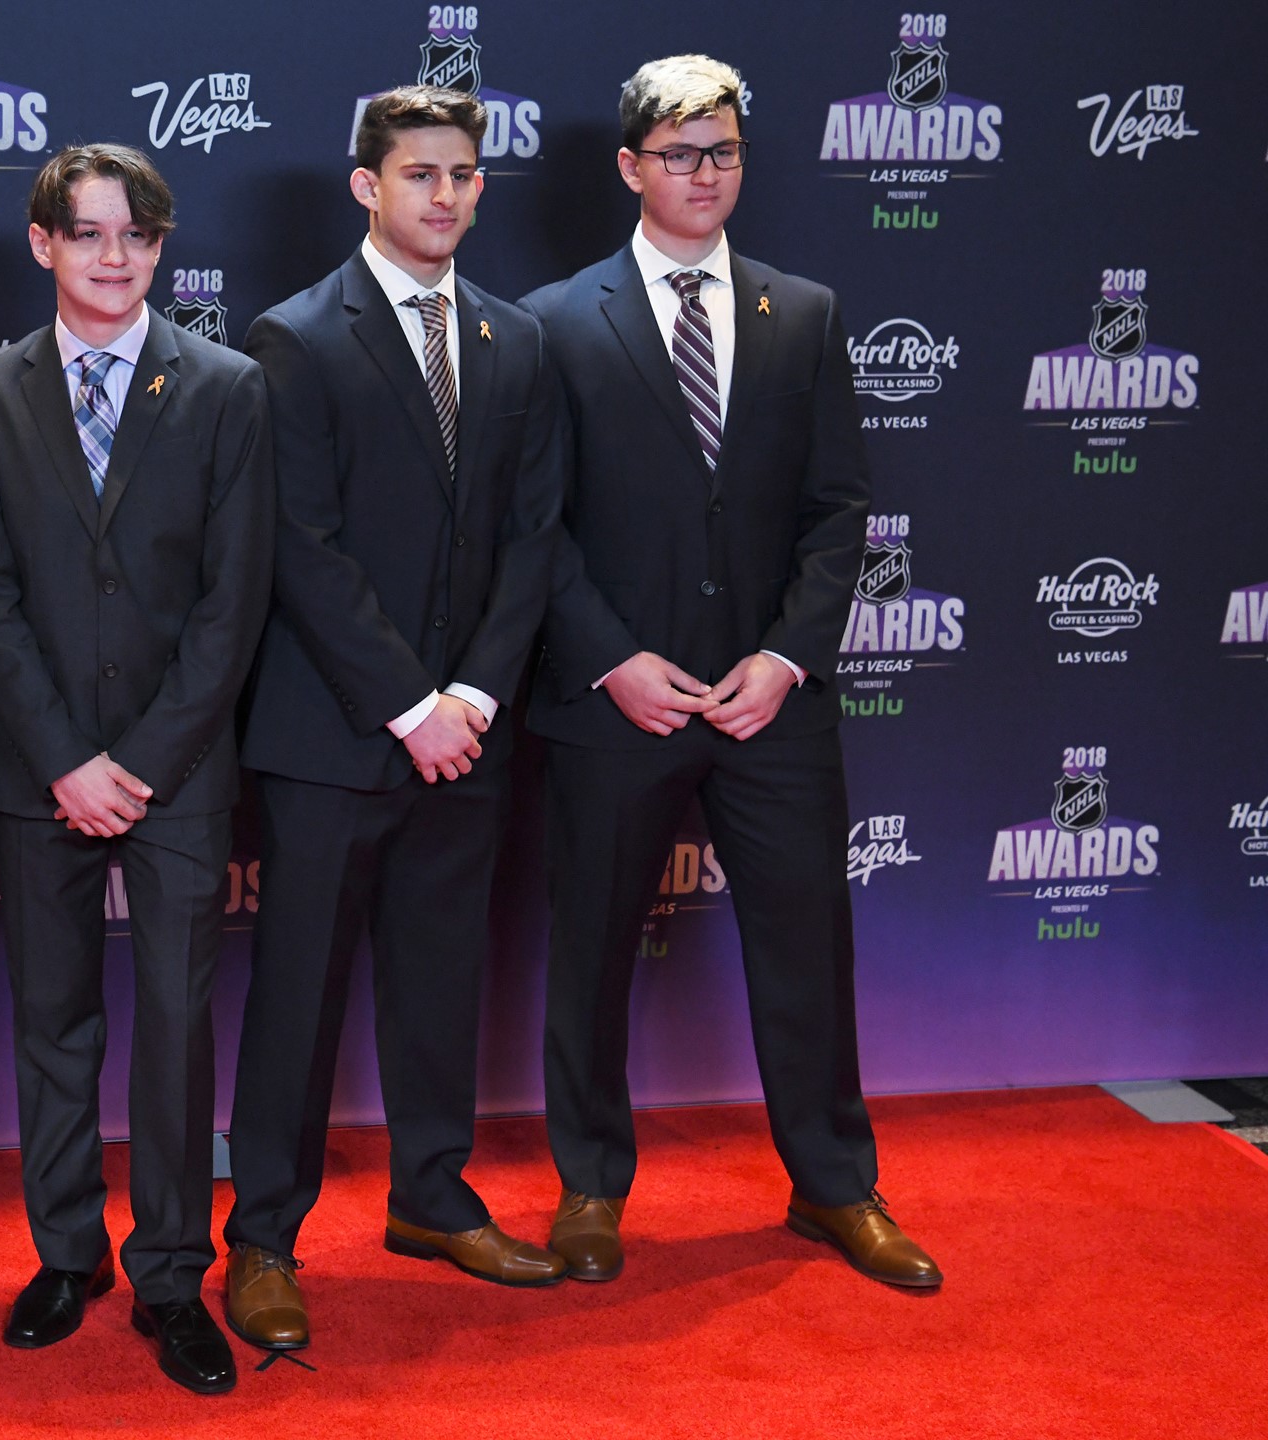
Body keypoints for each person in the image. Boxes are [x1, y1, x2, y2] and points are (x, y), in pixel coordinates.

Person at [519, 54, 941, 1289]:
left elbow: (837, 510)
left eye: (725, 152)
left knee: (808, 948)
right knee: (589, 950)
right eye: (680, 153)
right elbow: (530, 526)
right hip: (617, 704)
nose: (704, 175)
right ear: (629, 168)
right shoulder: (552, 320)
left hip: (773, 706)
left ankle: (834, 1188)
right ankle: (590, 1184)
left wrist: (788, 657)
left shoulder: (803, 311)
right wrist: (609, 663)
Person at [222, 84, 566, 1353]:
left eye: (466, 174)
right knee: (298, 1000)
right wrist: (410, 704)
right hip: (333, 739)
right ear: (367, 184)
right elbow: (299, 551)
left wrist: (472, 695)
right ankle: (261, 1236)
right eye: (421, 173)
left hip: (469, 736)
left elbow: (534, 538)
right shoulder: (295, 337)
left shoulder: (517, 339)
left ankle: (431, 1195)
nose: (446, 195)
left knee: (440, 981)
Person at [0, 144, 274, 1396]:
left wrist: (134, 764)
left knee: (181, 1029)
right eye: (87, 234)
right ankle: (65, 1254)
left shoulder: (227, 386)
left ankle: (169, 1276)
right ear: (42, 244)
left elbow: (232, 604)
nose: (114, 257)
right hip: (41, 770)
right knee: (52, 1021)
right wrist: (63, 760)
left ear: (161, 247)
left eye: (137, 237)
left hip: (178, 770)